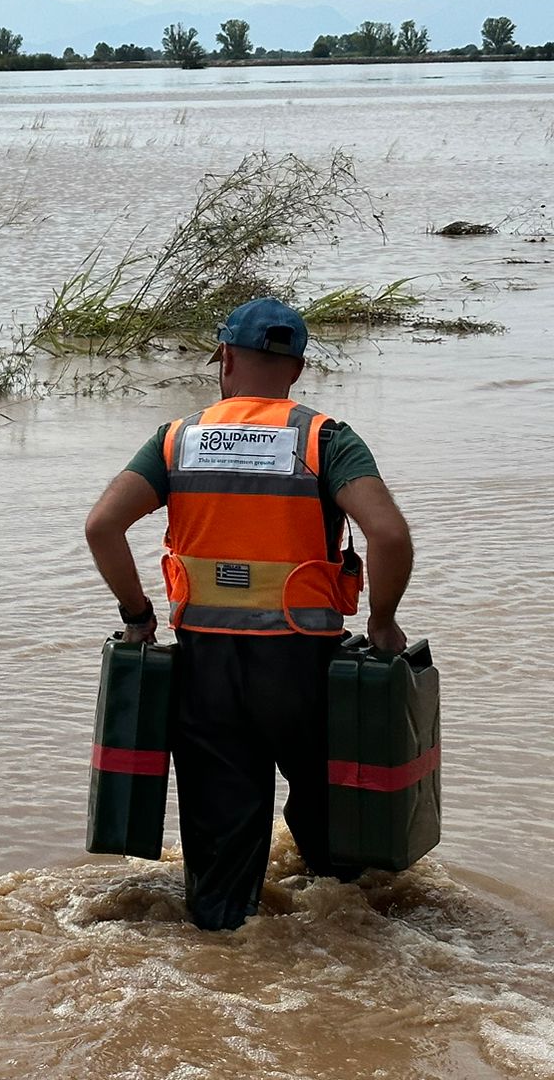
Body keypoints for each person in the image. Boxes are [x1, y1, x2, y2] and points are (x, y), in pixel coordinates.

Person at [83, 297, 414, 930]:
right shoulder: (325, 438)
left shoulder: (177, 439)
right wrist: (382, 622)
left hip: (208, 671)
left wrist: (137, 612)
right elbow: (390, 537)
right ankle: (347, 934)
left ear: (225, 359)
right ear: (296, 369)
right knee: (336, 835)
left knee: (222, 842)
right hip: (303, 668)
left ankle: (222, 938)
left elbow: (102, 526)